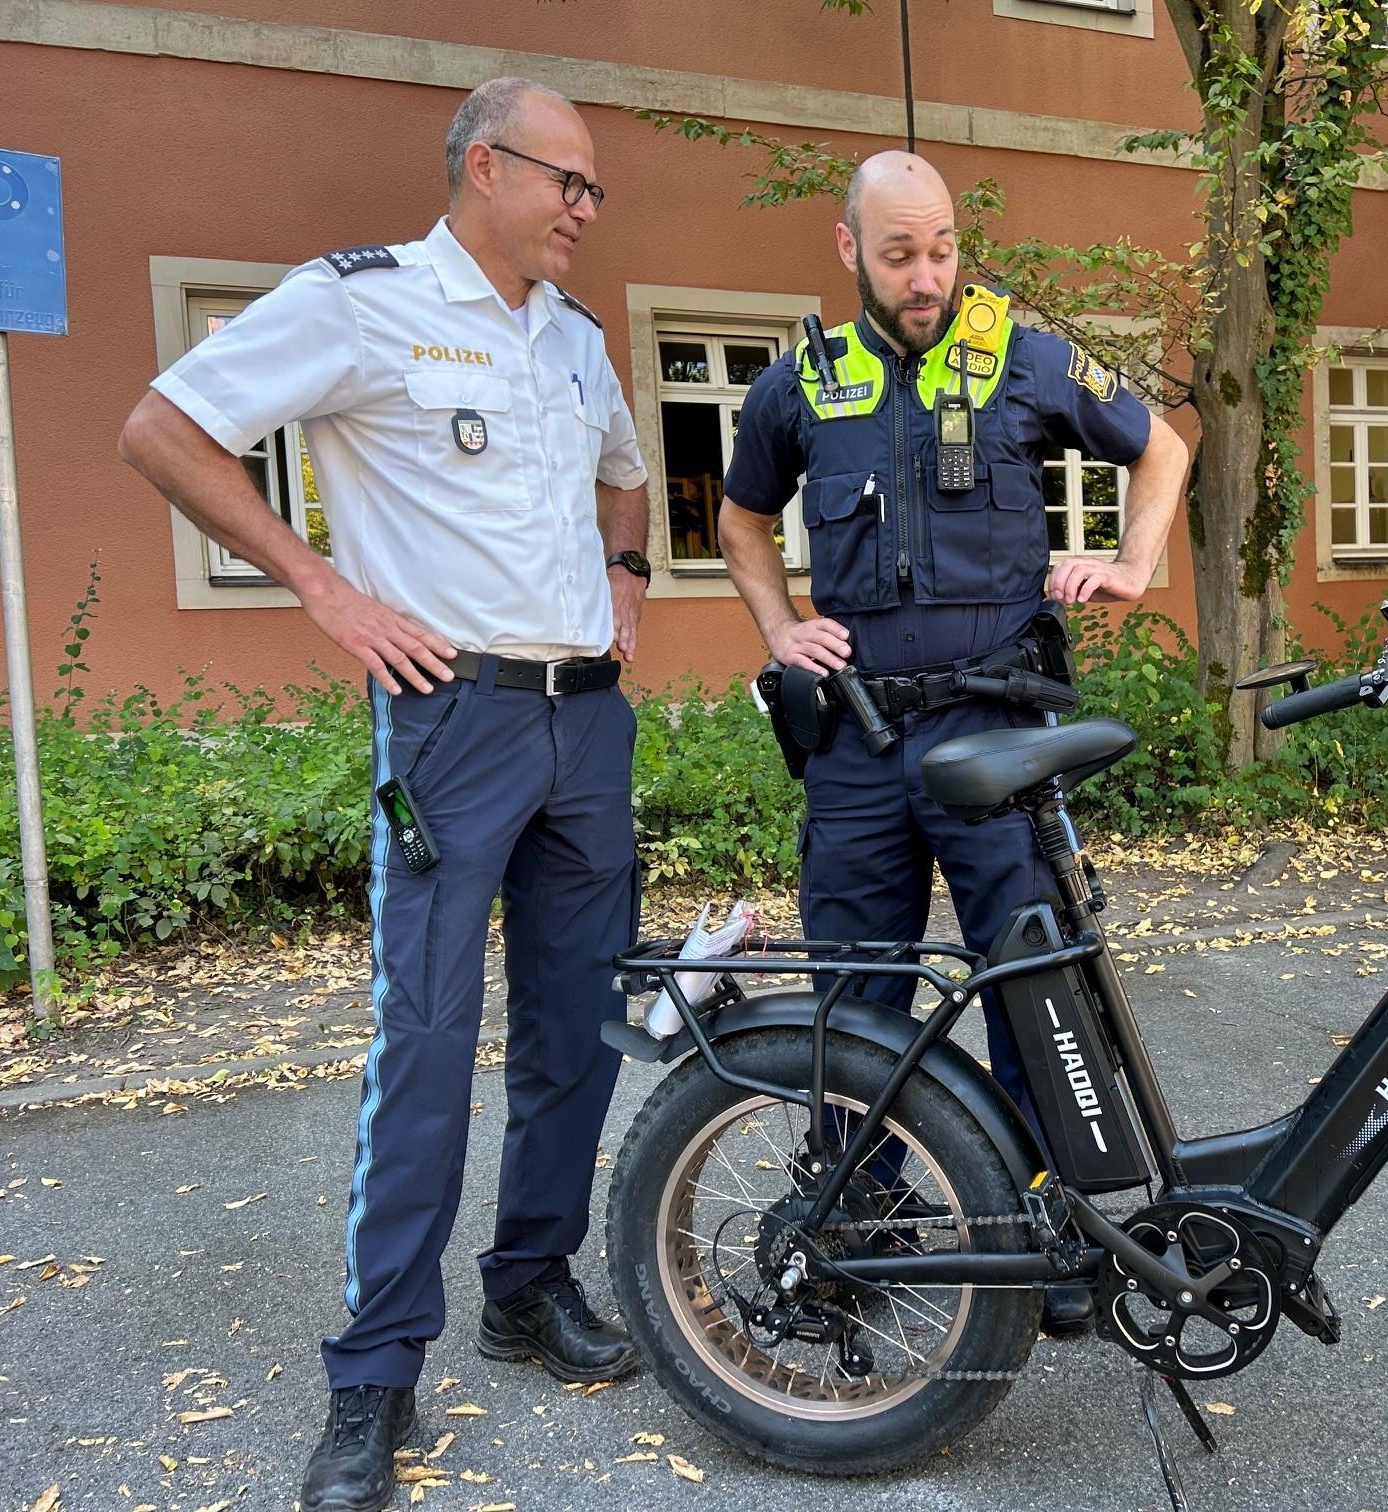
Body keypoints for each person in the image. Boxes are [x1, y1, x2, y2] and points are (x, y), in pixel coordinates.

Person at [118, 77, 653, 1512]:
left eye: (593, 190)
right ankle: (373, 1374)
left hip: (584, 728)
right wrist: (322, 587)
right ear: (487, 166)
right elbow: (164, 428)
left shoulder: (578, 337)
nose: (586, 211)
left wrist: (629, 571)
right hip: (451, 720)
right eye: (569, 184)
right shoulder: (361, 303)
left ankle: (528, 1289)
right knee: (423, 1044)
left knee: (575, 1033)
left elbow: (624, 478)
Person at [718, 150, 1188, 1337]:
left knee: (1031, 981)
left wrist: (1135, 564)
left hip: (995, 731)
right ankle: (862, 1229)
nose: (925, 278)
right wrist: (781, 626)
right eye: (898, 255)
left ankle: (1052, 1228)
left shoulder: (1024, 359)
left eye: (940, 251)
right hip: (860, 741)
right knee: (855, 993)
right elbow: (736, 517)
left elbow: (1164, 447)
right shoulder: (802, 385)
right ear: (847, 251)